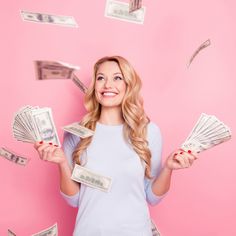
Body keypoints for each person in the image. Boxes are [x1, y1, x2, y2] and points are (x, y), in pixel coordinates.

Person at [34, 56, 197, 236]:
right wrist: (62, 163)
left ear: (128, 85)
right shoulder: (76, 133)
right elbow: (73, 200)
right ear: (94, 86)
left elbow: (152, 196)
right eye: (101, 78)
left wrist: (168, 168)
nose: (107, 85)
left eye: (117, 78)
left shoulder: (149, 132)